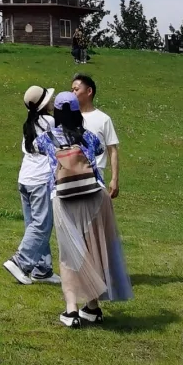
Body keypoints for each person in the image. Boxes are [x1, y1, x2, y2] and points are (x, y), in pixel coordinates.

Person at [35, 92, 133, 327]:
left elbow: (38, 148)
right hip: (95, 196)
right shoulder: (89, 137)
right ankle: (92, 307)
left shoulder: (48, 137)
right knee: (91, 251)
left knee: (69, 253)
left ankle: (71, 311)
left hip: (66, 197)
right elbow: (98, 151)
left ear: (57, 112)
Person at [3, 85, 61, 286]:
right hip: (40, 180)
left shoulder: (28, 124)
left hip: (25, 178)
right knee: (42, 225)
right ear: (44, 104)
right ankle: (20, 261)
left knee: (33, 224)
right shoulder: (50, 121)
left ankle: (42, 269)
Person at [71, 73, 119, 200]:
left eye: (76, 89)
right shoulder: (69, 118)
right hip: (72, 177)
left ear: (89, 91)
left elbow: (112, 150)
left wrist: (114, 179)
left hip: (95, 177)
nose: (73, 93)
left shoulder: (103, 119)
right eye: (72, 90)